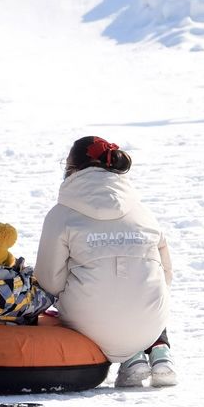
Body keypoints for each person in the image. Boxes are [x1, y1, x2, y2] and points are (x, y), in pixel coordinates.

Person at [36, 136, 174, 389]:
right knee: (138, 284)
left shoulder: (62, 214)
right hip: (151, 323)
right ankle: (155, 352)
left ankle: (130, 357)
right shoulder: (142, 212)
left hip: (91, 325)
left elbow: (49, 282)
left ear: (72, 168)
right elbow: (165, 275)